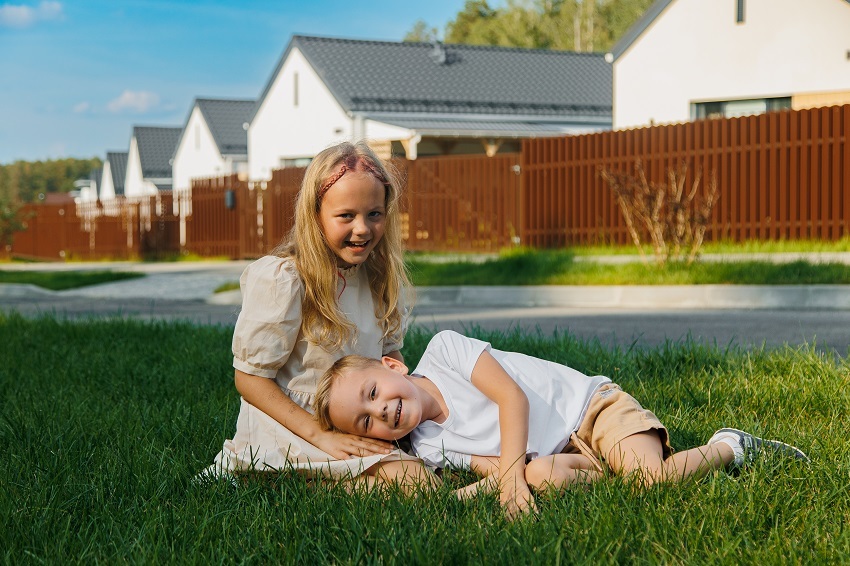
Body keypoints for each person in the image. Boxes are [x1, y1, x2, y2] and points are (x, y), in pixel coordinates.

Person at [314, 330, 809, 519]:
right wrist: (503, 483)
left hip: (591, 411)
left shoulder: (443, 352)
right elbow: (496, 467)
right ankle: (616, 473)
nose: (380, 411)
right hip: (559, 457)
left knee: (651, 480)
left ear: (392, 366)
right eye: (366, 421)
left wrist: (511, 484)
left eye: (373, 393)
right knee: (538, 474)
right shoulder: (427, 446)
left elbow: (511, 400)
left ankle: (730, 446)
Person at [206, 141, 431, 489]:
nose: (363, 229)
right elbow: (250, 378)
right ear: (315, 216)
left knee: (421, 477)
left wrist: (411, 425)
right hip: (294, 427)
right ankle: (280, 477)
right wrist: (320, 436)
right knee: (410, 483)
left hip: (362, 419)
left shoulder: (379, 279)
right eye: (346, 216)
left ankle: (318, 480)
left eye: (374, 214)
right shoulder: (287, 280)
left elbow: (390, 356)